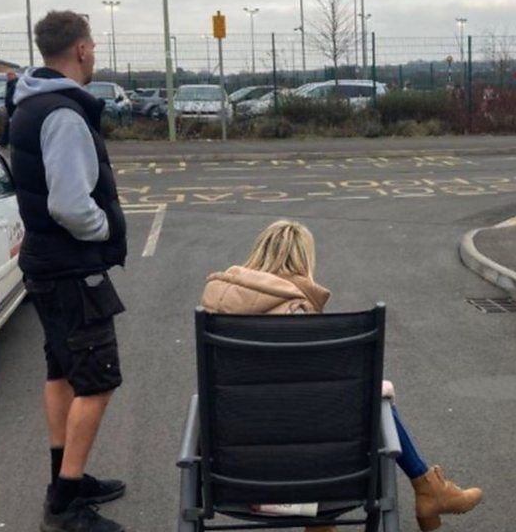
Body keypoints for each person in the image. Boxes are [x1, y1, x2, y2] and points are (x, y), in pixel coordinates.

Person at [200, 220, 483, 532]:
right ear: (303, 262)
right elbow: (320, 397)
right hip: (319, 479)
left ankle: (425, 489)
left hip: (237, 481)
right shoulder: (294, 312)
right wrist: (377, 388)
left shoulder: (216, 309)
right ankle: (428, 487)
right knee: (367, 407)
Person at [9, 10, 129, 532]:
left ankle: (67, 479)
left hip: (45, 263)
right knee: (97, 382)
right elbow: (70, 205)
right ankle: (66, 507)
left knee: (61, 371)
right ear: (80, 50)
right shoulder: (63, 114)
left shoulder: (31, 105)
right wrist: (105, 229)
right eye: (93, 44)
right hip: (71, 268)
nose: (95, 51)